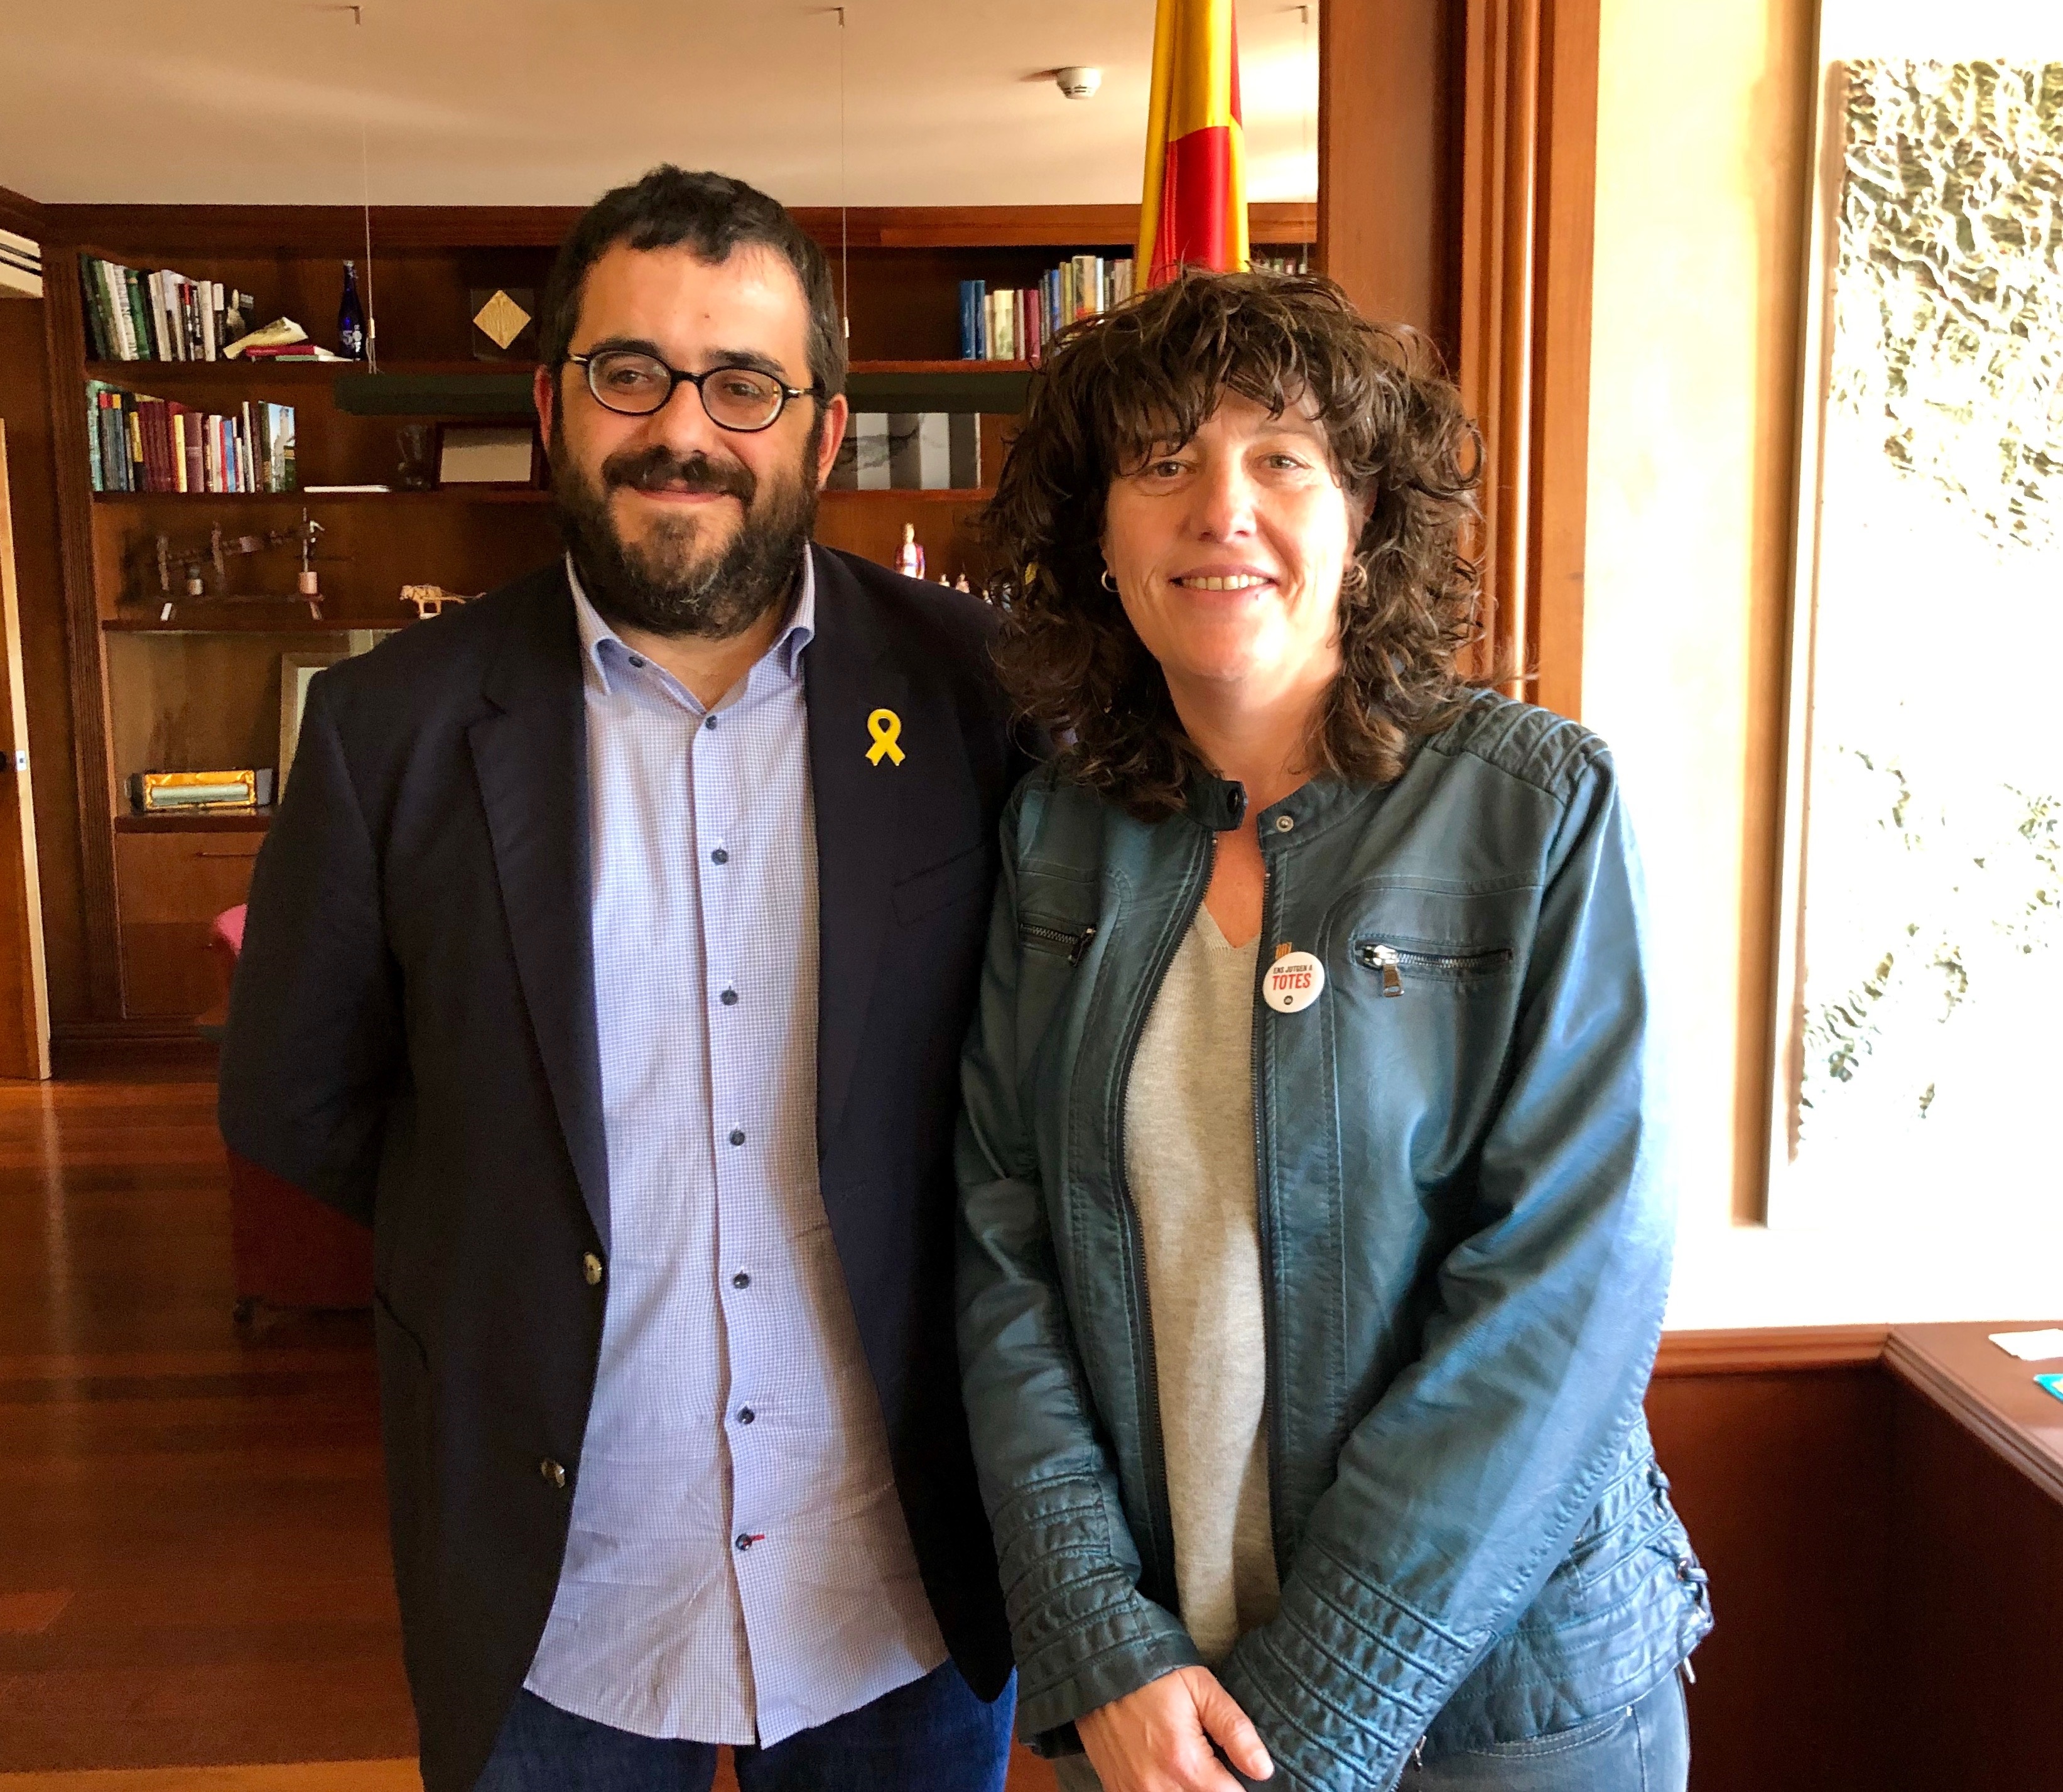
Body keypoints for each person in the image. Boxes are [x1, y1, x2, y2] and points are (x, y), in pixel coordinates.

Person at [220, 166, 1026, 1792]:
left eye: (743, 384)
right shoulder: (387, 728)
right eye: (629, 373)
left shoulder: (984, 694)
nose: (681, 430)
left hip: (903, 1578)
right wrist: (505, 1218)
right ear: (550, 406)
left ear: (822, 428)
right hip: (557, 1595)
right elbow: (295, 1094)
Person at [955, 269, 1711, 1792]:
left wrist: (1308, 1724)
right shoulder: (1054, 835)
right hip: (1162, 1711)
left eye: (1280, 457)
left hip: (1501, 1717)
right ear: (1098, 536)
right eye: (1161, 461)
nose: (1218, 508)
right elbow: (1001, 1247)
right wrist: (1100, 1641)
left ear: (1361, 516)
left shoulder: (1537, 807)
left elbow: (1566, 1295)